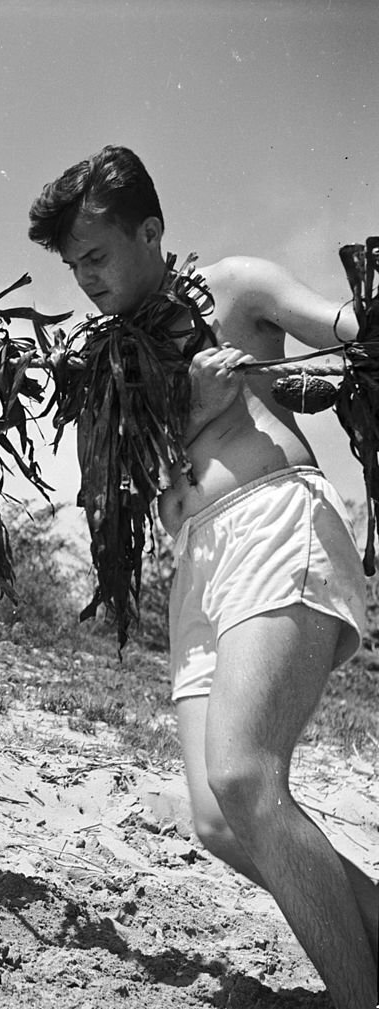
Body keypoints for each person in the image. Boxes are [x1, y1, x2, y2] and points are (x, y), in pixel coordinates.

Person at [28, 145, 377, 1009]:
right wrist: (192, 402)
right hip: (200, 564)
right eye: (73, 267)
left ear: (151, 230)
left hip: (272, 519)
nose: (86, 280)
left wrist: (345, 351)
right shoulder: (110, 358)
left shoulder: (237, 288)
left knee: (244, 775)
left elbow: (351, 330)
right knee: (220, 819)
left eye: (98, 256)